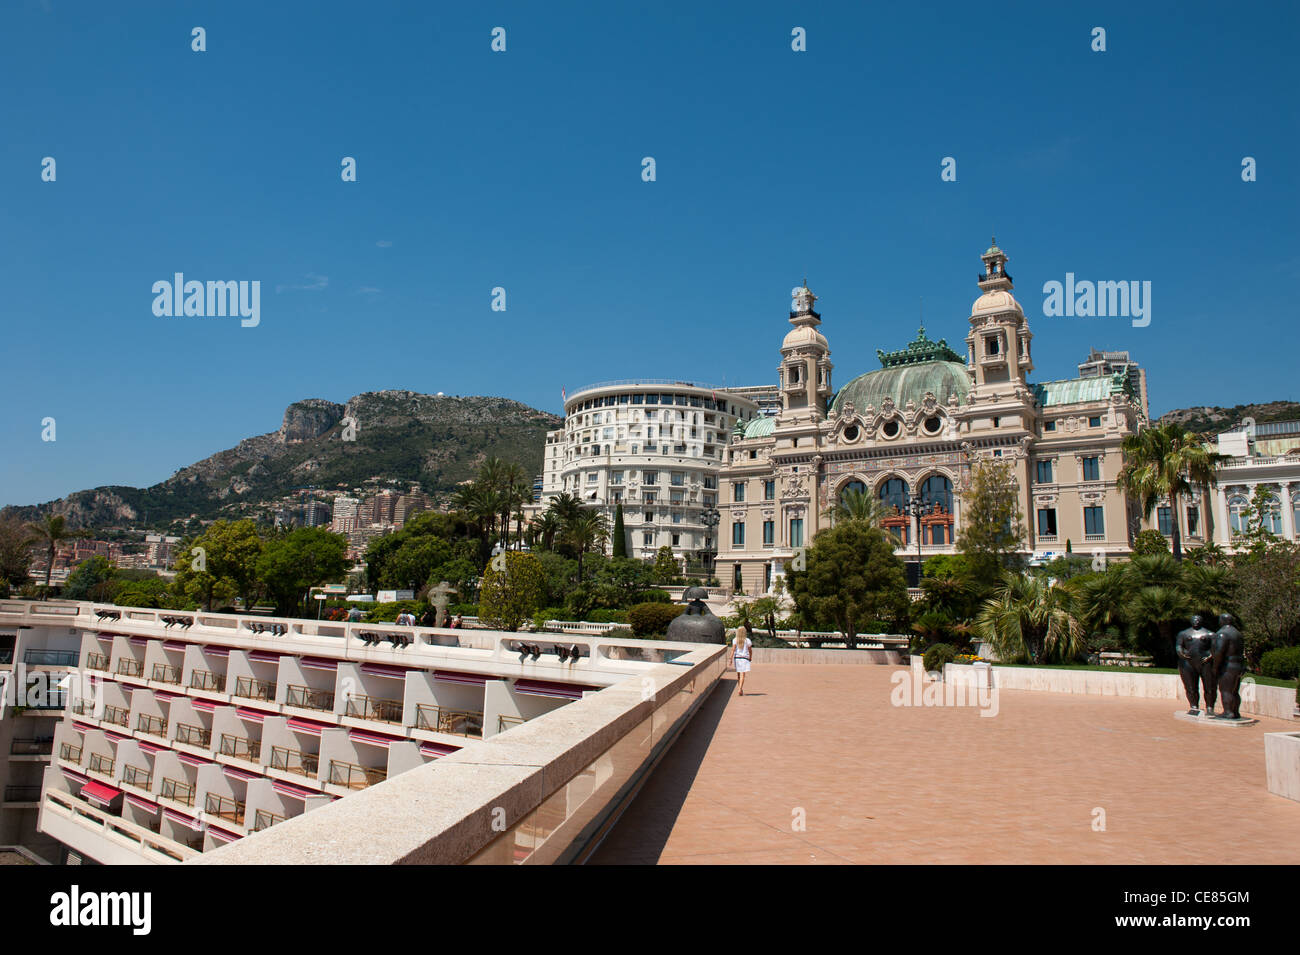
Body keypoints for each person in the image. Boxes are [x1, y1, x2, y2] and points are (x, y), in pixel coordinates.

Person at [730, 627, 752, 696]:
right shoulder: (747, 640)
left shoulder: (735, 640)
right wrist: (750, 657)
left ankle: (740, 688)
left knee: (738, 675)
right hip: (744, 658)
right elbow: (750, 650)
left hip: (737, 658)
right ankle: (740, 689)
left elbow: (733, 649)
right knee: (743, 675)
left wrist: (730, 658)